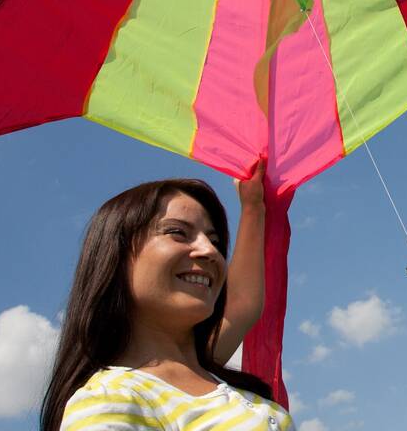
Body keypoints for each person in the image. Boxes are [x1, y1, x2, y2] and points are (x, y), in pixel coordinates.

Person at [40, 161, 293, 431]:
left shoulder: (204, 370)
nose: (209, 251)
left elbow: (242, 303)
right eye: (177, 232)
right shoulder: (110, 399)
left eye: (215, 240)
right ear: (116, 258)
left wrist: (253, 207)